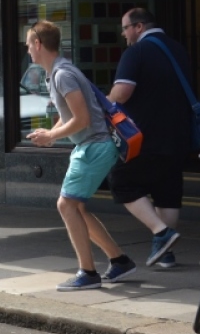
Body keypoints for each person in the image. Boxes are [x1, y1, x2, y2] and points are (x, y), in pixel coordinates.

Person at [25, 20, 136, 290]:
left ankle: (88, 272)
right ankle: (119, 260)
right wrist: (51, 132)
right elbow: (71, 116)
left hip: (94, 145)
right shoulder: (58, 72)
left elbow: (83, 119)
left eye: (28, 44)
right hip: (92, 145)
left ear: (38, 44)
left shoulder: (63, 75)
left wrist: (52, 136)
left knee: (66, 206)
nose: (27, 50)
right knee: (76, 207)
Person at [108, 8, 187, 269]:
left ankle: (161, 233)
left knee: (121, 181)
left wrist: (106, 101)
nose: (123, 34)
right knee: (167, 190)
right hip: (177, 133)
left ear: (139, 27)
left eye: (125, 28)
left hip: (145, 134)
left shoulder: (137, 52)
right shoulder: (178, 49)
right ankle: (166, 254)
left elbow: (122, 93)